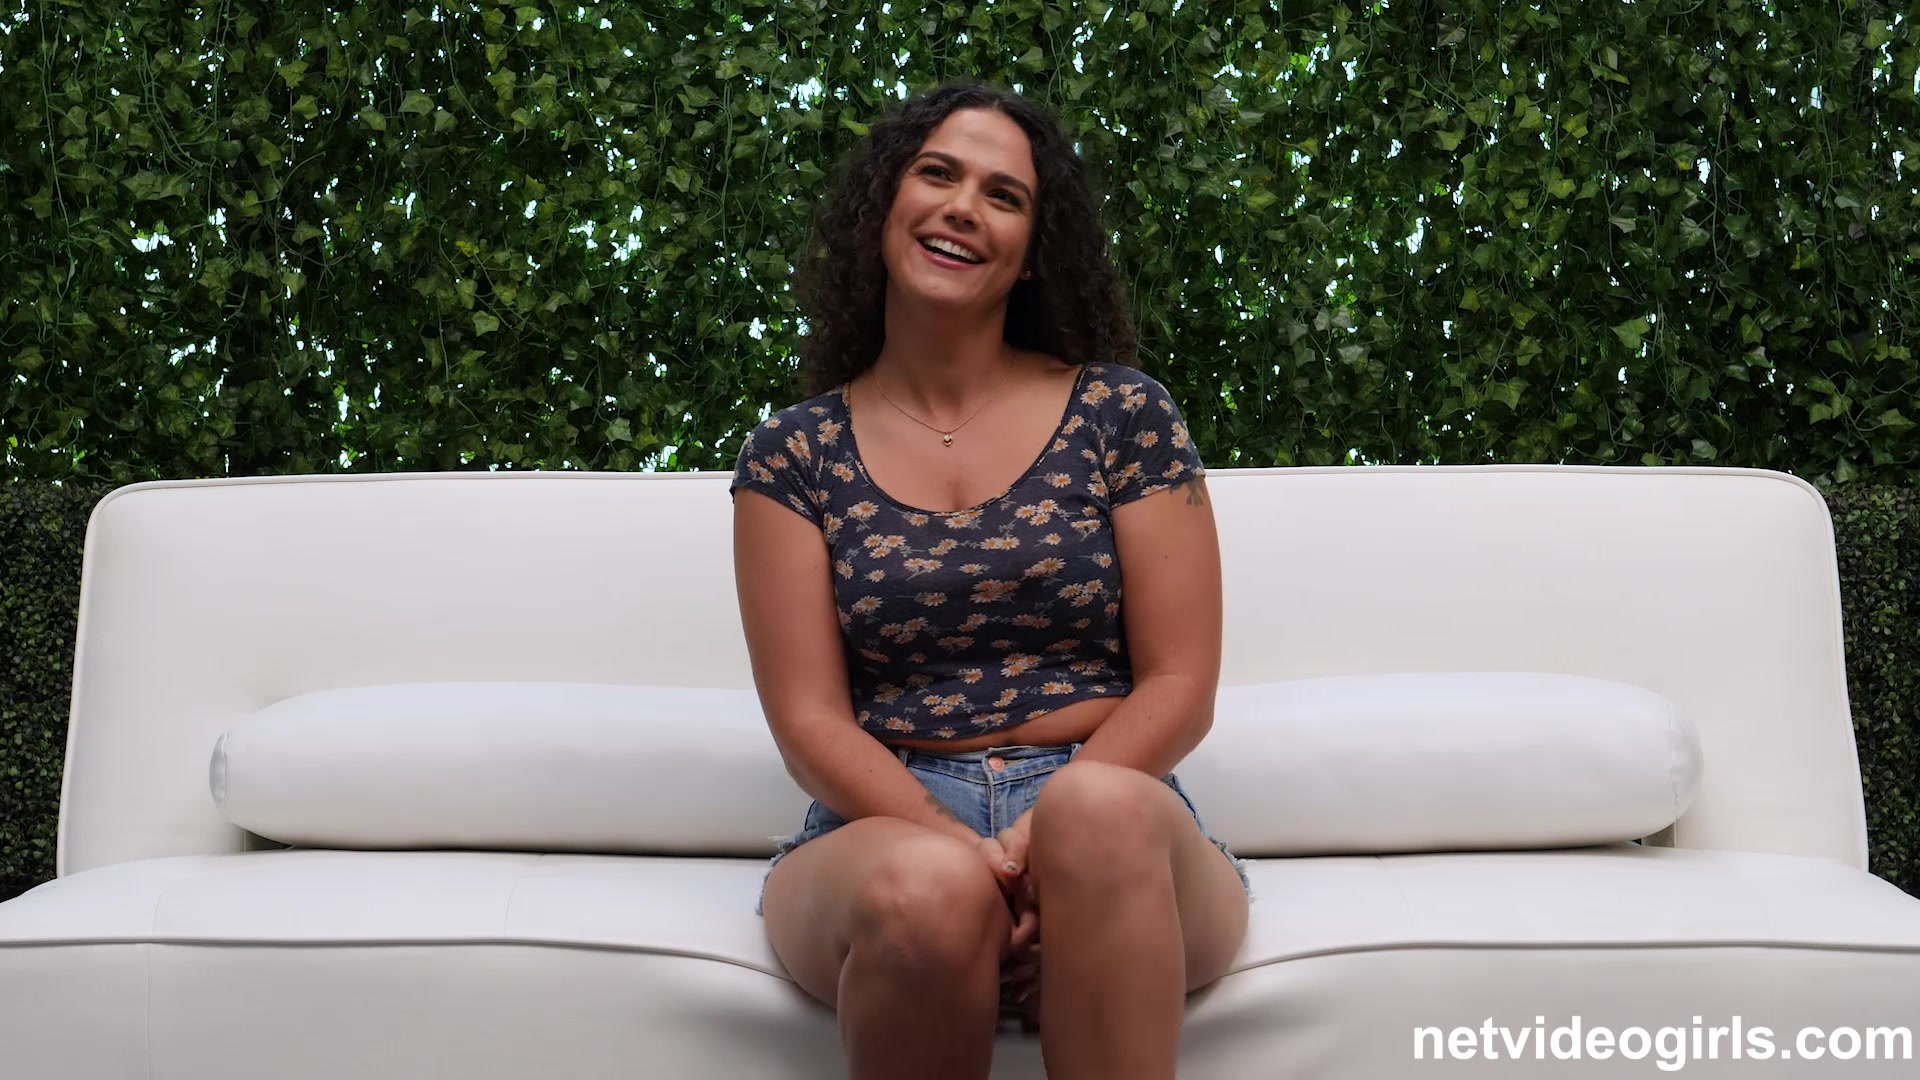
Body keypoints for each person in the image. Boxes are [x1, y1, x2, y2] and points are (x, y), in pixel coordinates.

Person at [728, 81, 1250, 1080]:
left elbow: (1182, 684)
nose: (964, 206)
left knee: (1097, 817)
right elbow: (811, 723)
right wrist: (965, 855)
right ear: (885, 205)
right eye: (938, 174)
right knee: (932, 889)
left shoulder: (1123, 414)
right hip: (884, 819)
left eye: (1003, 195)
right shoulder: (793, 454)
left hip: (1105, 802)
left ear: (1032, 250)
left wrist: (1044, 838)